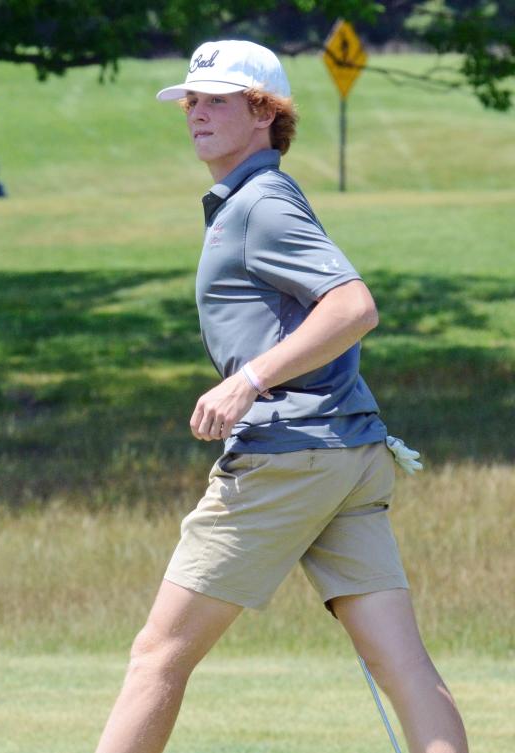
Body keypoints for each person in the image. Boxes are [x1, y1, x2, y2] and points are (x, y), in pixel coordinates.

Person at [93, 41, 467, 753]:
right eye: (191, 100)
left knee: (158, 654)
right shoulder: (256, 197)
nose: (196, 112)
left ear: (264, 113)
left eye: (218, 100)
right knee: (402, 662)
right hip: (347, 454)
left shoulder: (261, 203)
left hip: (289, 456)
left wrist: (248, 378)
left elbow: (353, 306)